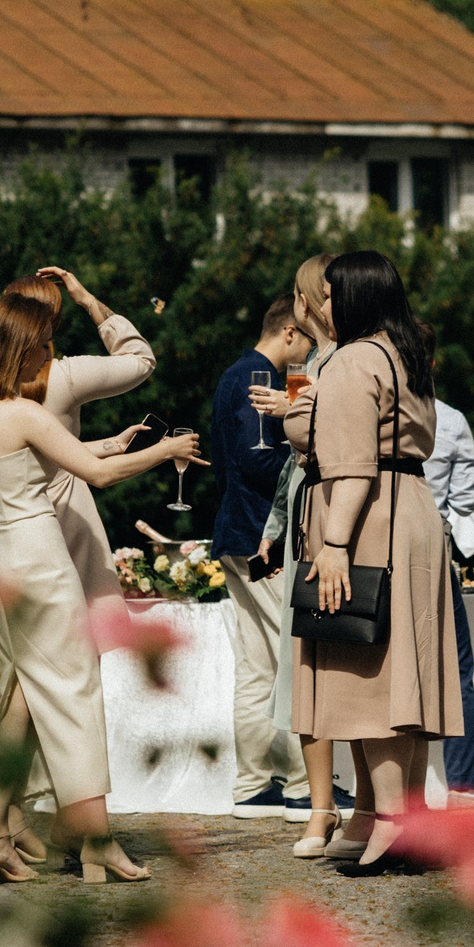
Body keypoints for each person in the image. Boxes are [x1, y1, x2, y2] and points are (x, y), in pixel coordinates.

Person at [0, 294, 204, 884]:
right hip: (39, 562)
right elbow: (98, 476)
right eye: (42, 345)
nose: (49, 355)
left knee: (18, 697)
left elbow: (30, 465)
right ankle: (97, 843)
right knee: (75, 696)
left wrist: (111, 443)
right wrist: (164, 451)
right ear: (19, 349)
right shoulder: (24, 412)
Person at [281, 250, 465, 867]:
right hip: (409, 508)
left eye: (332, 293)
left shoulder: (355, 358)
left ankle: (392, 819)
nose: (324, 303)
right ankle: (383, 814)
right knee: (402, 668)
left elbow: (353, 466)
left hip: (368, 519)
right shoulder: (404, 352)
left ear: (357, 296)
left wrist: (334, 545)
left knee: (370, 674)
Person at [250, 254, 362, 854]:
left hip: (341, 514)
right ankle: (321, 808)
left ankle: (359, 805)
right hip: (303, 516)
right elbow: (294, 466)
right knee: (306, 665)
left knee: (349, 657)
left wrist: (299, 413)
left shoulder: (351, 358)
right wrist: (273, 527)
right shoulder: (310, 363)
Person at [208, 296, 313, 823]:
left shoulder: (233, 374)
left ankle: (252, 785)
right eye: (309, 339)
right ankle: (303, 786)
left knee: (257, 666)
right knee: (290, 657)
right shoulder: (258, 376)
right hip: (261, 537)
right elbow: (257, 460)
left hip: (236, 530)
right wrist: (309, 461)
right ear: (289, 331)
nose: (310, 352)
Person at [426, 394, 474, 799]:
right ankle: (461, 789)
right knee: (456, 672)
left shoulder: (365, 408)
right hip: (431, 548)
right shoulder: (448, 418)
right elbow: (465, 501)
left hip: (370, 550)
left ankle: (385, 797)